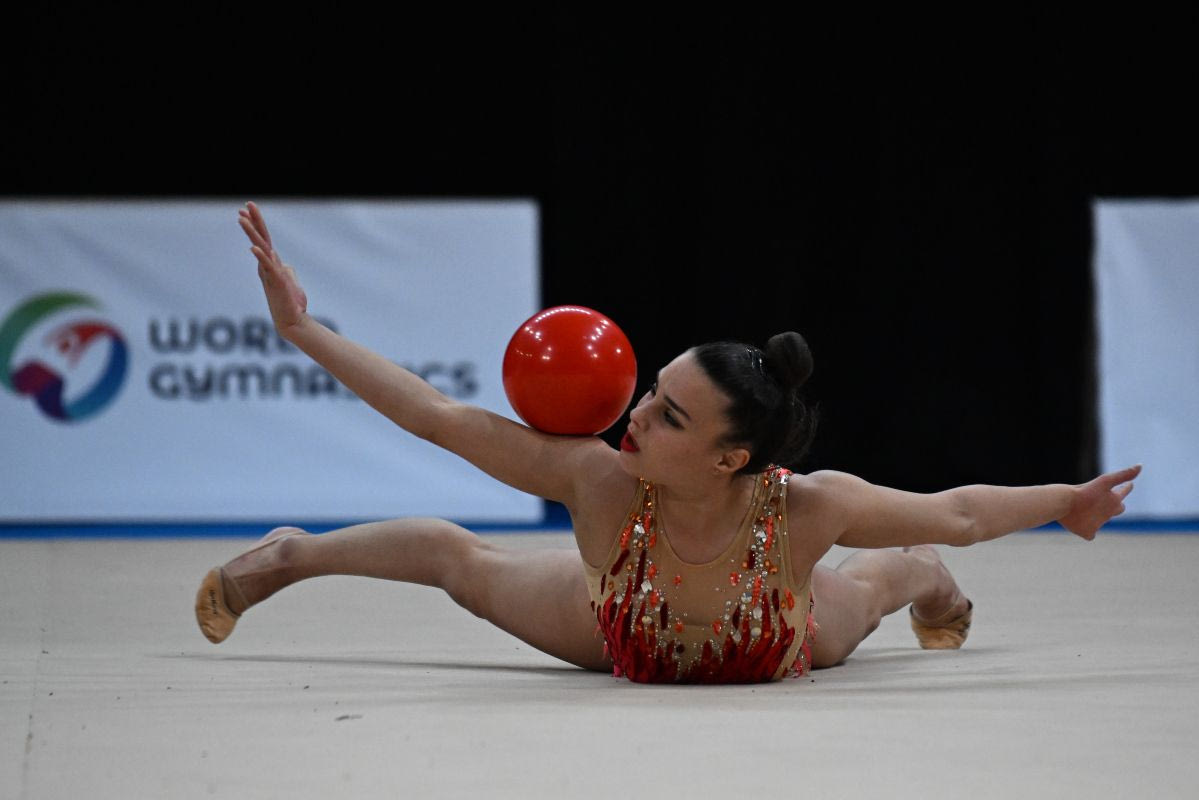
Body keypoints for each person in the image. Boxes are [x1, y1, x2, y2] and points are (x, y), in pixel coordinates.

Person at [195, 201, 1141, 684]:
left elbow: (959, 510)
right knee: (456, 559)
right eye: (650, 393)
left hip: (776, 640)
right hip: (621, 628)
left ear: (733, 459)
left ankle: (927, 581)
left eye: (668, 417)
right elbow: (437, 418)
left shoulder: (805, 509)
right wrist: (302, 330)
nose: (634, 418)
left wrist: (1067, 502)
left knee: (885, 576)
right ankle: (290, 555)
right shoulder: (596, 479)